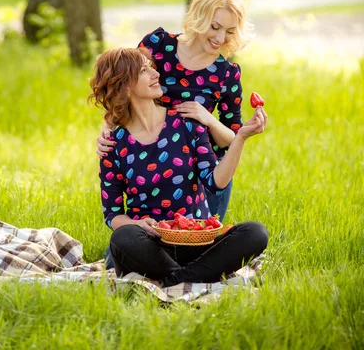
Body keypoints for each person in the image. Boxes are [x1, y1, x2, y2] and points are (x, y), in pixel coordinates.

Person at [89, 47, 268, 286]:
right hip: (151, 247)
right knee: (123, 238)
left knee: (255, 233)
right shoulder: (114, 144)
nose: (155, 74)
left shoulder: (186, 123)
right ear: (125, 85)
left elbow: (216, 182)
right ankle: (199, 277)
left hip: (197, 241)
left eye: (152, 67)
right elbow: (112, 215)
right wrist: (137, 224)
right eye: (144, 70)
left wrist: (241, 138)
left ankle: (176, 281)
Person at [96, 0, 254, 222]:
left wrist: (208, 119)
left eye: (230, 31)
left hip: (202, 173)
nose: (220, 38)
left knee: (197, 242)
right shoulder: (158, 46)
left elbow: (232, 138)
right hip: (147, 163)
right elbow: (122, 83)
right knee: (136, 245)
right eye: (215, 27)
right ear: (199, 18)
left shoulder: (226, 74)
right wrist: (107, 133)